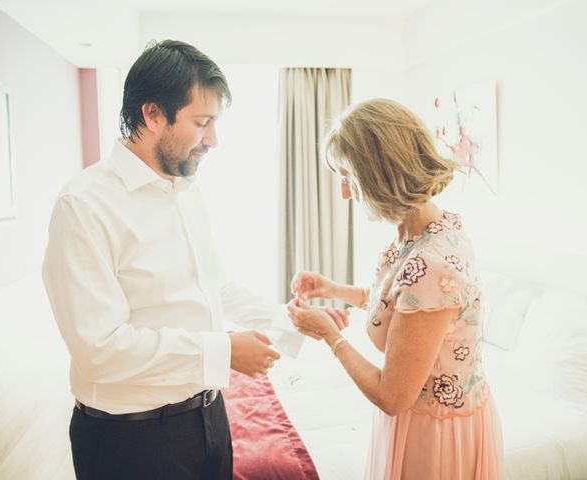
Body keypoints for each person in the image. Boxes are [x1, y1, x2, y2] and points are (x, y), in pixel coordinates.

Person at [43, 39, 295, 480]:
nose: (213, 139)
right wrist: (224, 350)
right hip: (132, 440)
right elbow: (99, 349)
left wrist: (286, 318)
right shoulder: (83, 205)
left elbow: (212, 285)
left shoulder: (185, 191)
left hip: (209, 419)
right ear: (152, 114)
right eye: (202, 122)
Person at [288, 99, 503, 479]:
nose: (344, 193)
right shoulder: (419, 233)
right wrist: (334, 288)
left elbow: (392, 396)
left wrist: (329, 334)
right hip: (422, 422)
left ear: (380, 175)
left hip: (434, 436)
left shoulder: (432, 263)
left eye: (348, 177)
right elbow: (402, 306)